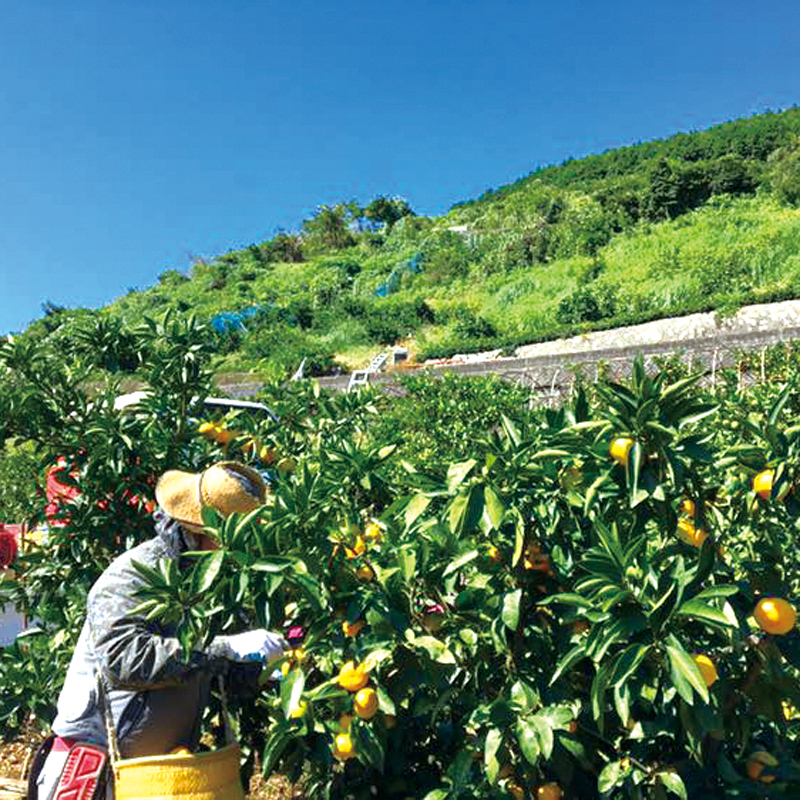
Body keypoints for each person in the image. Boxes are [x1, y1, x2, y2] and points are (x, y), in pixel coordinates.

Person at [31, 461, 287, 799]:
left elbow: (203, 668)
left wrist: (263, 668)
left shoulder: (205, 583)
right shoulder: (133, 574)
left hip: (160, 777)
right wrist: (227, 648)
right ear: (200, 529)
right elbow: (123, 658)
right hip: (98, 773)